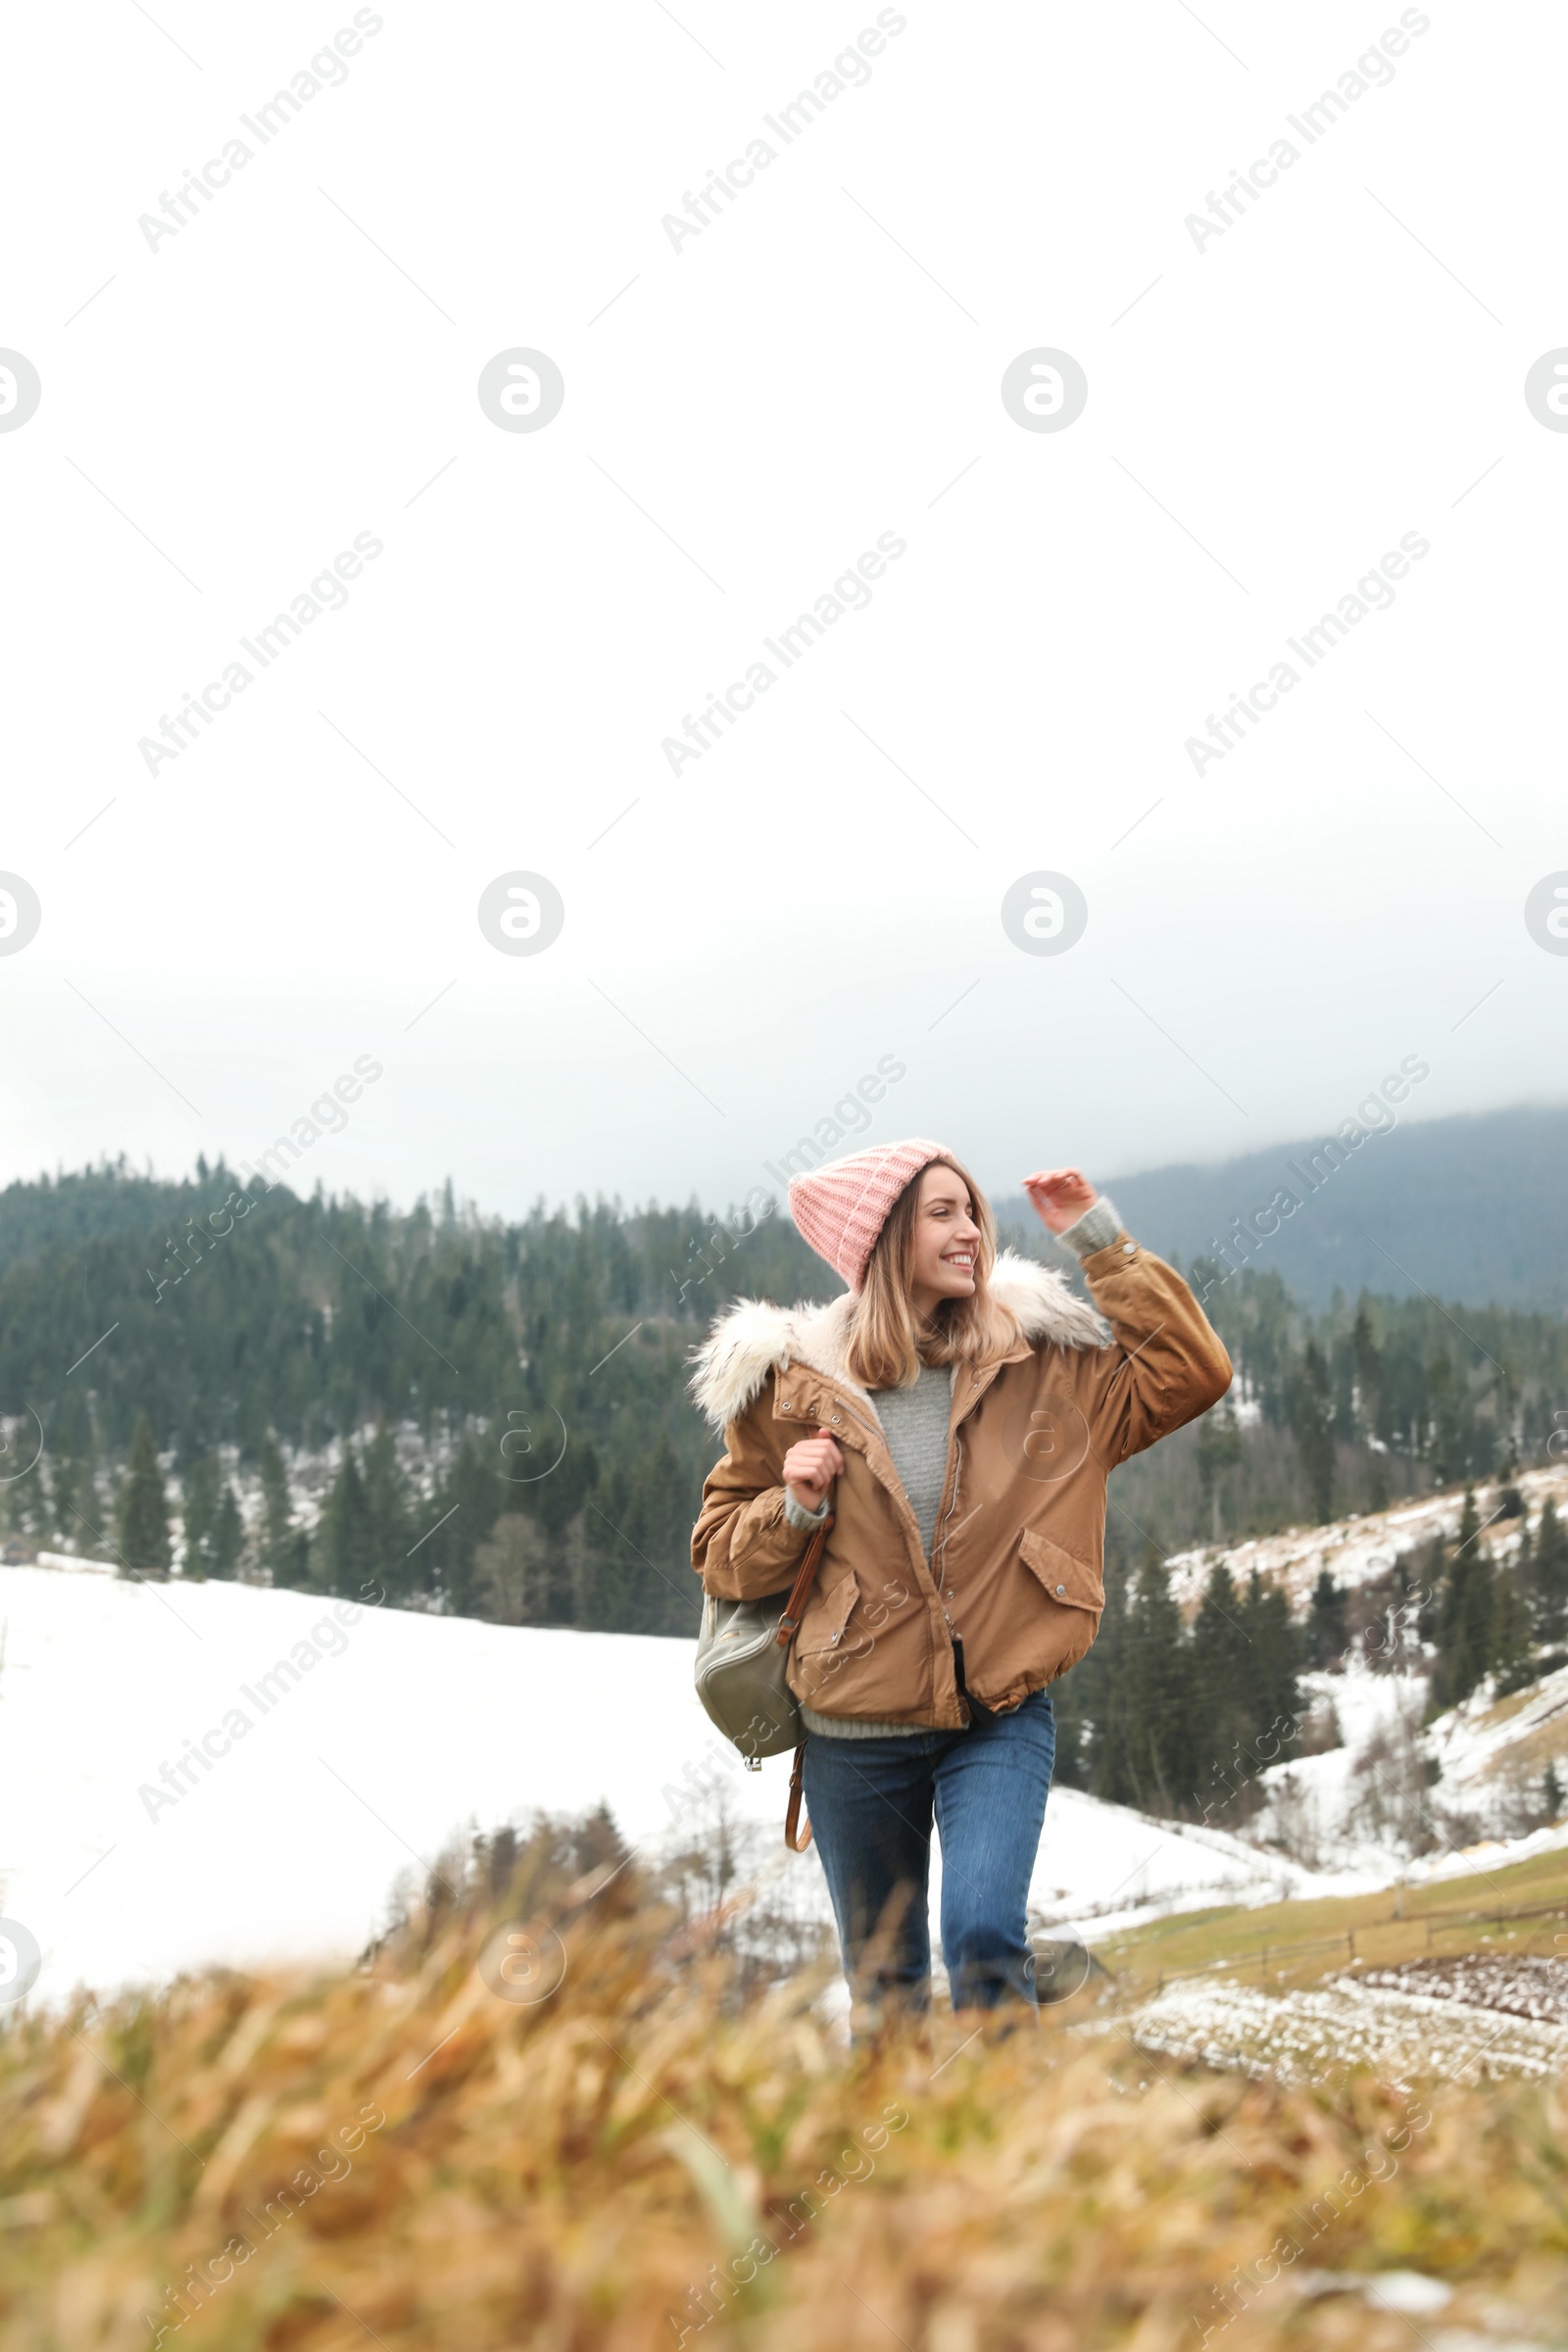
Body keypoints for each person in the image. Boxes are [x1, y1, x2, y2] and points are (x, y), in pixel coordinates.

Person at [690, 1139, 1231, 2025]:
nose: (970, 1230)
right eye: (941, 1213)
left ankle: (1006, 2154)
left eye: (972, 1210)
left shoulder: (1042, 1363)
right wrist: (792, 1507)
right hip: (851, 1728)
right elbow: (719, 1554)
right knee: (885, 1992)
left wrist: (1102, 1243)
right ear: (882, 1238)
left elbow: (1191, 1373)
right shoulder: (790, 1390)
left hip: (1000, 1713)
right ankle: (895, 2164)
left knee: (983, 1937)